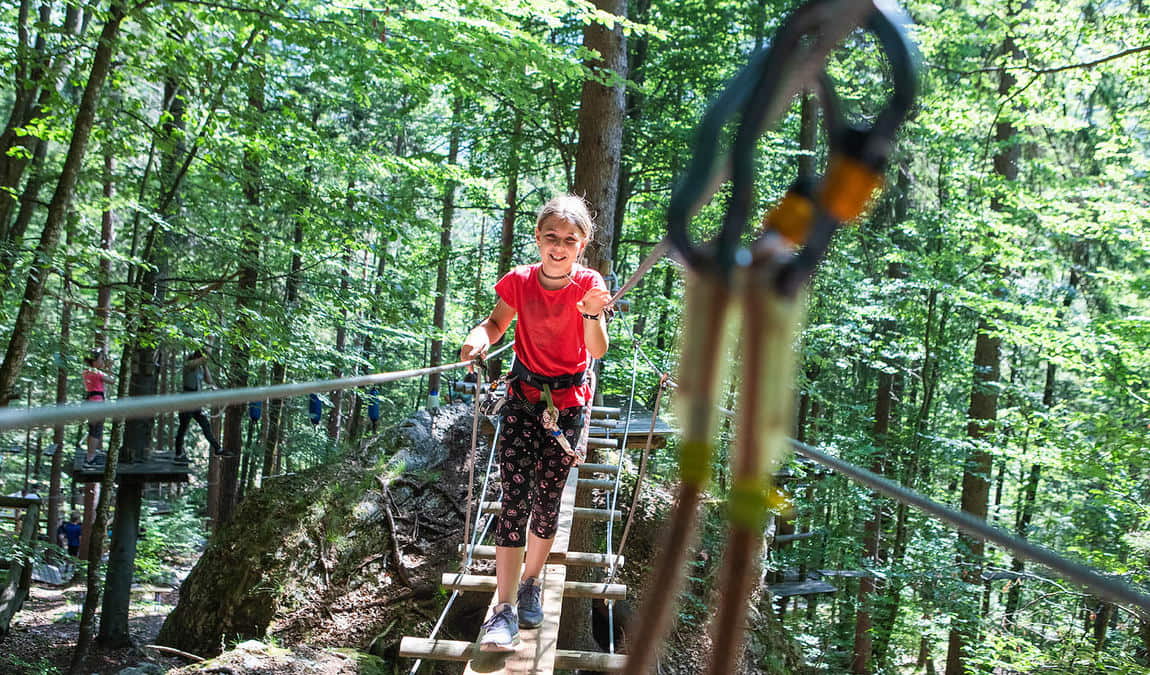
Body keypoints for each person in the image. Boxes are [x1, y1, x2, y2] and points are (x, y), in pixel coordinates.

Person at [459, 195, 611, 652]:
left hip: (568, 407)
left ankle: (531, 581)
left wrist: (590, 311)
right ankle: (503, 609)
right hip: (523, 400)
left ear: (582, 244)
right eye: (551, 238)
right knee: (514, 501)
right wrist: (477, 338)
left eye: (569, 240)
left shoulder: (589, 284)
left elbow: (598, 349)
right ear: (537, 239)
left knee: (547, 505)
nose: (559, 247)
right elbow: (495, 323)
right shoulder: (520, 282)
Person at [174, 348, 228, 463]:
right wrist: (211, 341)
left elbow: (209, 380)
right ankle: (178, 454)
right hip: (186, 402)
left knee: (205, 426)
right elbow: (203, 359)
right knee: (183, 428)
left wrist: (205, 366)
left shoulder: (200, 368)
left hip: (196, 403)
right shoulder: (189, 365)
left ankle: (218, 449)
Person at [81, 350, 114, 471]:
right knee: (96, 430)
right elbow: (112, 380)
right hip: (97, 404)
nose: (102, 361)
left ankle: (91, 455)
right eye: (101, 359)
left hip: (90, 402)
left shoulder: (87, 372)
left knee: (93, 430)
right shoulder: (97, 373)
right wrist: (110, 368)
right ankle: (90, 458)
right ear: (94, 361)